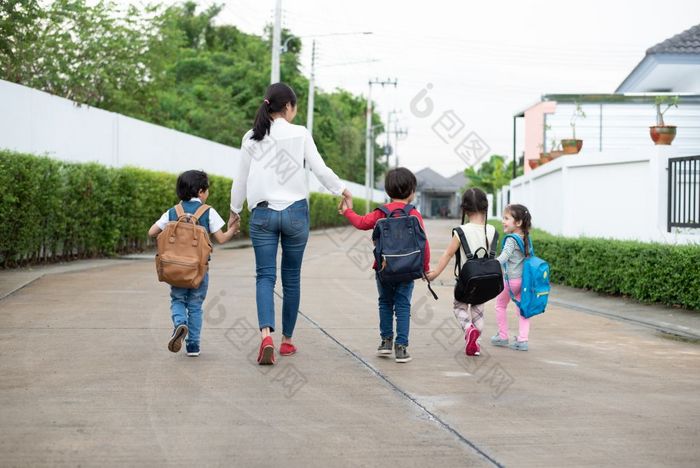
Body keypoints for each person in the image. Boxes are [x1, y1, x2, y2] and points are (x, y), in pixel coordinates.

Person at [229, 82, 351, 365]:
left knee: (265, 276)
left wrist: (235, 211)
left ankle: (266, 337)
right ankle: (286, 342)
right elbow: (319, 168)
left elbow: (241, 179)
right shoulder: (300, 133)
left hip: (262, 214)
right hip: (295, 213)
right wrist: (341, 190)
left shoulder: (251, 137)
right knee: (292, 277)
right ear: (288, 107)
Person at [340, 168, 430, 363]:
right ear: (412, 191)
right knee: (403, 305)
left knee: (385, 303)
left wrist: (347, 211)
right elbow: (424, 242)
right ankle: (401, 347)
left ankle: (386, 342)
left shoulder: (381, 212)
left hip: (383, 268)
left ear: (388, 191)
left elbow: (362, 223)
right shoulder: (414, 214)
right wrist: (425, 267)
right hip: (408, 269)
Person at [148, 170, 239, 357]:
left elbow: (152, 232)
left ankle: (180, 323)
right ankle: (193, 346)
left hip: (175, 269)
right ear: (200, 191)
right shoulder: (208, 211)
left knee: (178, 300)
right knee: (195, 306)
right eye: (207, 190)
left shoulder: (173, 211)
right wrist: (232, 230)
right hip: (198, 271)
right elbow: (220, 239)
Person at [426, 188, 497, 356]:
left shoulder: (461, 231)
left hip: (466, 281)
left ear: (464, 208)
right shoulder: (493, 230)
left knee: (459, 307)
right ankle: (476, 345)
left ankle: (468, 328)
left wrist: (435, 273)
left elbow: (448, 254)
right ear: (485, 206)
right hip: (484, 281)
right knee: (478, 310)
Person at [492, 204, 532, 351]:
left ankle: (502, 336)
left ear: (518, 222)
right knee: (522, 309)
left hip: (511, 281)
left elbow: (504, 257)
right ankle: (523, 340)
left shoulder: (511, 239)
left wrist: (490, 263)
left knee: (500, 305)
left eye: (506, 218)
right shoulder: (526, 238)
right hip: (524, 281)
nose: (503, 221)